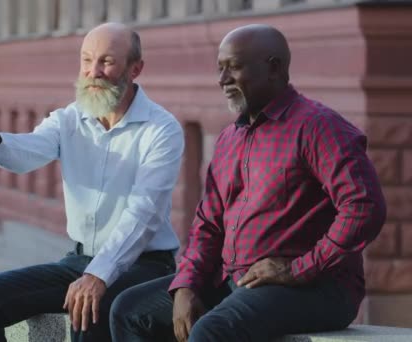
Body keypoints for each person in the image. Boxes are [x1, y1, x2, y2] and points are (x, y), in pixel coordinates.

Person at [109, 24, 387, 342]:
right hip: (235, 277)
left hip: (317, 287)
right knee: (129, 310)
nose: (222, 80)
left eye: (234, 68)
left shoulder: (318, 127)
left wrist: (298, 268)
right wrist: (186, 284)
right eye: (220, 69)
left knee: (212, 331)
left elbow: (364, 207)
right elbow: (208, 225)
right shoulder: (230, 138)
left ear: (274, 67)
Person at [0, 22, 184, 342]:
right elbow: (28, 152)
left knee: (88, 311)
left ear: (136, 69)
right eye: (87, 60)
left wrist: (98, 275)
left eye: (106, 61)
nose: (93, 72)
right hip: (79, 261)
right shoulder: (69, 119)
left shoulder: (161, 129)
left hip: (142, 267)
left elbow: (144, 214)